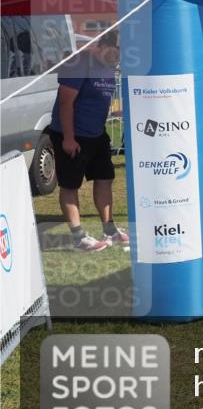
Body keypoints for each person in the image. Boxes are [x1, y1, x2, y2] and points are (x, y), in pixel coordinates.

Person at [46, 32, 129, 252]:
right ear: (104, 44)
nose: (120, 57)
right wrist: (69, 138)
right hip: (72, 134)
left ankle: (109, 229)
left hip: (96, 134)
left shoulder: (109, 66)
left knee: (105, 178)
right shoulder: (80, 62)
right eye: (118, 51)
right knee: (70, 184)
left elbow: (99, 100)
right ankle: (79, 237)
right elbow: (65, 103)